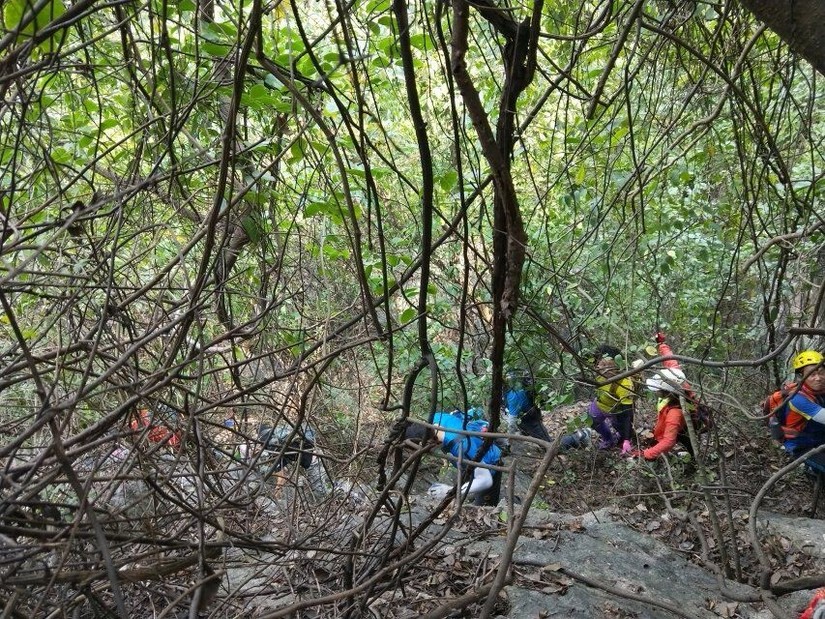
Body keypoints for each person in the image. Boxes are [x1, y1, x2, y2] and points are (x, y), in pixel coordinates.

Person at [403, 410, 503, 506]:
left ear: (429, 443)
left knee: (483, 506)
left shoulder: (462, 447)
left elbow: (485, 480)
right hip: (472, 457)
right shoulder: (436, 418)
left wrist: (450, 491)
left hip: (490, 464)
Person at [631, 332, 693, 460]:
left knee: (684, 439)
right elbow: (670, 359)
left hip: (683, 426)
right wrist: (661, 344)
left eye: (658, 390)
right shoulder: (676, 377)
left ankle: (693, 460)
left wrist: (646, 454)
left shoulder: (675, 412)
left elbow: (668, 441)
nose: (655, 392)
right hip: (678, 420)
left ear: (668, 392)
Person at [774, 350, 825, 474]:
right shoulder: (797, 398)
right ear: (801, 376)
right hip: (802, 446)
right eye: (811, 374)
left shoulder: (821, 390)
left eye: (821, 372)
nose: (818, 378)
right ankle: (811, 470)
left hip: (819, 438)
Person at [587, 345, 637, 453]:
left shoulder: (624, 384)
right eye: (600, 363)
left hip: (616, 411)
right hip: (600, 404)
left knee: (621, 429)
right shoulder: (599, 372)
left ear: (616, 365)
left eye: (606, 364)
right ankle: (608, 439)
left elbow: (628, 414)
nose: (600, 367)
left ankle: (622, 437)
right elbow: (584, 357)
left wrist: (627, 439)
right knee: (592, 420)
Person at [503, 369, 552, 442]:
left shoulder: (513, 396)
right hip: (531, 414)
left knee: (547, 442)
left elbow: (512, 421)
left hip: (529, 418)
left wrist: (509, 441)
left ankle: (573, 439)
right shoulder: (518, 387)